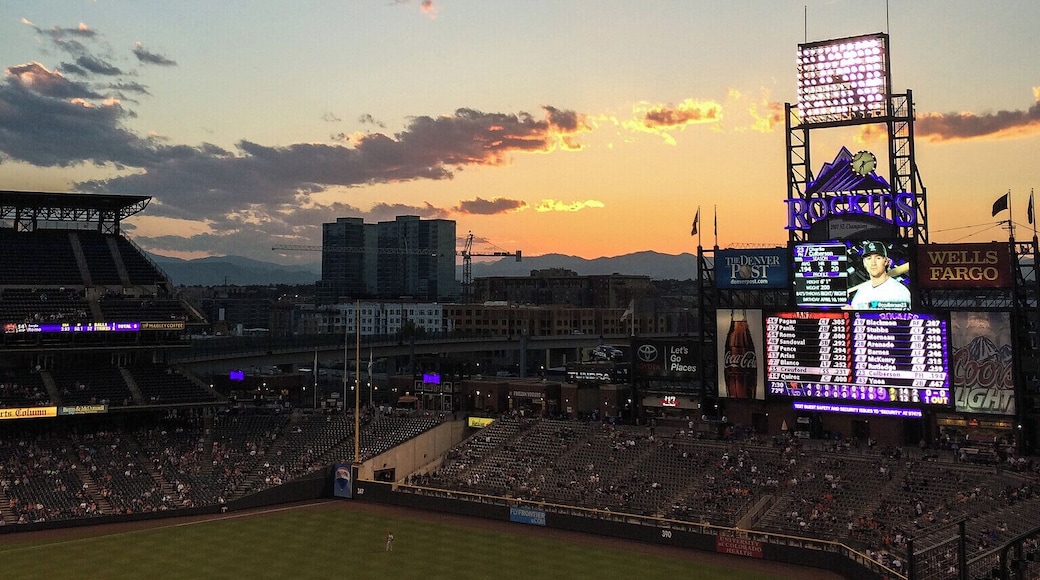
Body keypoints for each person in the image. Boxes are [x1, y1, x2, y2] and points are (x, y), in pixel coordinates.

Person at [847, 241, 911, 310]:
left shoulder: (899, 291)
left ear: (886, 261)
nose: (873, 263)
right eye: (869, 259)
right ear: (864, 263)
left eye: (878, 258)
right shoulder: (861, 291)